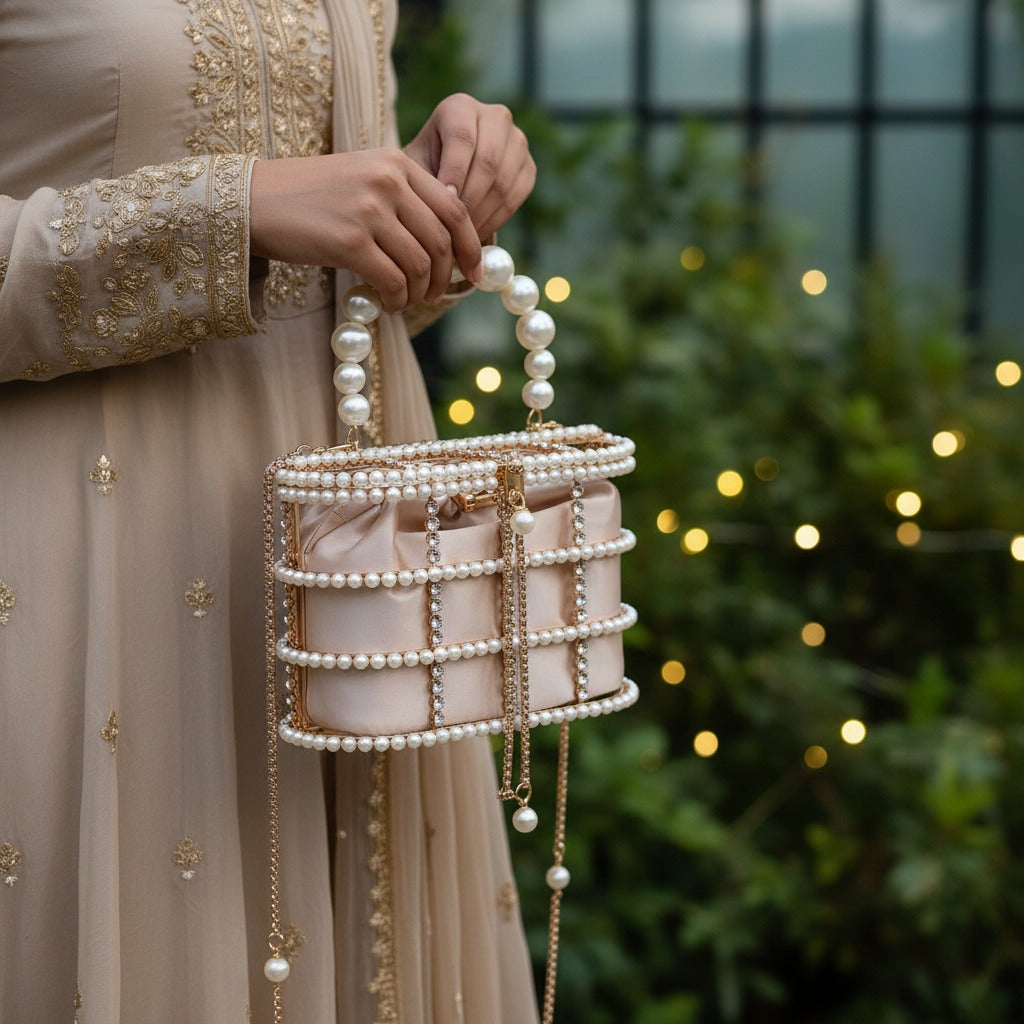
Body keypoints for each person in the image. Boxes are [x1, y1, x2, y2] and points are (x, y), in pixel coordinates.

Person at [0, 1, 541, 1021]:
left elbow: (330, 283)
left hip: (354, 590)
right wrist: (225, 212)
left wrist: (432, 204)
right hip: (92, 577)